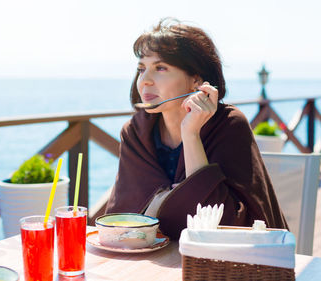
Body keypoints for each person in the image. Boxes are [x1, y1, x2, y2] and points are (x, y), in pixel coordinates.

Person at [105, 18, 288, 240]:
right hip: (149, 260)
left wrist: (191, 134)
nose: (145, 80)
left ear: (196, 80)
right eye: (142, 69)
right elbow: (121, 220)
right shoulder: (136, 132)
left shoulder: (230, 125)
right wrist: (172, 205)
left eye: (160, 68)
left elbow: (222, 224)